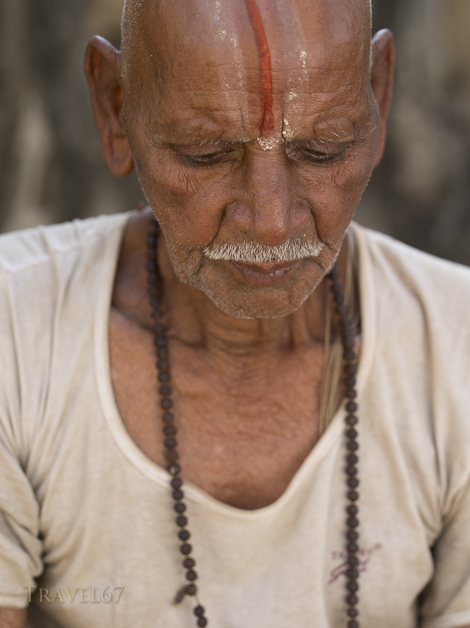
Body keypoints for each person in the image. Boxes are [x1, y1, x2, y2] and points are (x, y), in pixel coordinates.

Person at [1, 0, 470, 627]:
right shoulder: (16, 330)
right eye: (206, 152)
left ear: (377, 97)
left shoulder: (457, 345)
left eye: (324, 149)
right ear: (115, 106)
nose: (271, 223)